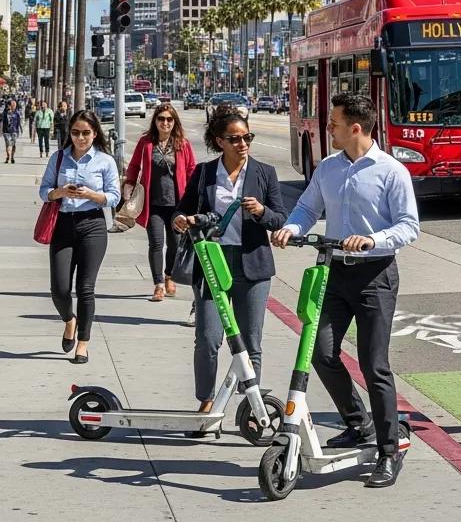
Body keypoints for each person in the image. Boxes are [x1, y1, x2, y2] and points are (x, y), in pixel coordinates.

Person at [273, 92, 419, 489]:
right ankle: (358, 422)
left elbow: (409, 226)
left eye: (334, 123)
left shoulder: (391, 171)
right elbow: (307, 208)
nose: (329, 129)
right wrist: (293, 227)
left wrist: (373, 240)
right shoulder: (328, 168)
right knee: (320, 353)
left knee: (375, 366)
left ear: (356, 128)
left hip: (376, 276)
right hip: (335, 272)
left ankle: (389, 452)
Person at [173, 105, 285, 436]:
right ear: (219, 141)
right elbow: (184, 209)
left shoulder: (264, 173)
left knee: (251, 341)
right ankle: (207, 403)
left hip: (252, 264)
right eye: (235, 139)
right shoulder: (206, 173)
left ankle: (250, 406)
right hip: (212, 262)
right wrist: (181, 220)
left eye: (247, 137)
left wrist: (263, 212)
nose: (242, 143)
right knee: (208, 338)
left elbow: (281, 217)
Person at [39, 110, 120, 364]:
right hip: (63, 225)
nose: (81, 137)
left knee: (86, 288)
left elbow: (114, 196)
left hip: (92, 225)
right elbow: (44, 191)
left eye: (86, 133)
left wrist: (91, 195)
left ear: (95, 133)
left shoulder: (105, 161)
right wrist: (60, 192)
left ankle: (83, 343)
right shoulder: (59, 158)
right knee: (60, 289)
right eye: (76, 133)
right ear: (69, 133)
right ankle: (69, 320)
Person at [126, 103, 197, 301]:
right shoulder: (146, 143)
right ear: (155, 120)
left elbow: (192, 170)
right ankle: (158, 284)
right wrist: (129, 184)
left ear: (174, 122)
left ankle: (169, 276)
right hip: (153, 204)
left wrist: (194, 197)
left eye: (169, 119)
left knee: (174, 244)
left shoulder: (183, 144)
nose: (165, 123)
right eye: (161, 119)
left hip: (177, 205)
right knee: (156, 243)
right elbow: (133, 165)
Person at [2, 98, 22, 164]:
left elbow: (18, 123)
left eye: (14, 104)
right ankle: (8, 156)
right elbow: (2, 121)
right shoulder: (5, 113)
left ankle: (12, 157)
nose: (13, 105)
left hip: (14, 131)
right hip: (6, 131)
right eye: (11, 104)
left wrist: (18, 131)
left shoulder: (17, 113)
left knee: (13, 144)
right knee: (7, 144)